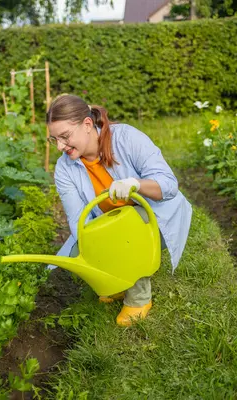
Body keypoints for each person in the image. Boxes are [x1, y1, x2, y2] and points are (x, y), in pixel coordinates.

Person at [46, 94, 192, 327]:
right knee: (76, 250)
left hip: (153, 219)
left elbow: (169, 184)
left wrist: (136, 184)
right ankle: (117, 283)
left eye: (65, 137)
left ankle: (139, 298)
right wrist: (97, 249)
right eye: (54, 140)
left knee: (128, 228)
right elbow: (77, 222)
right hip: (111, 225)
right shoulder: (65, 168)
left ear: (86, 125)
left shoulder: (126, 138)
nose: (61, 147)